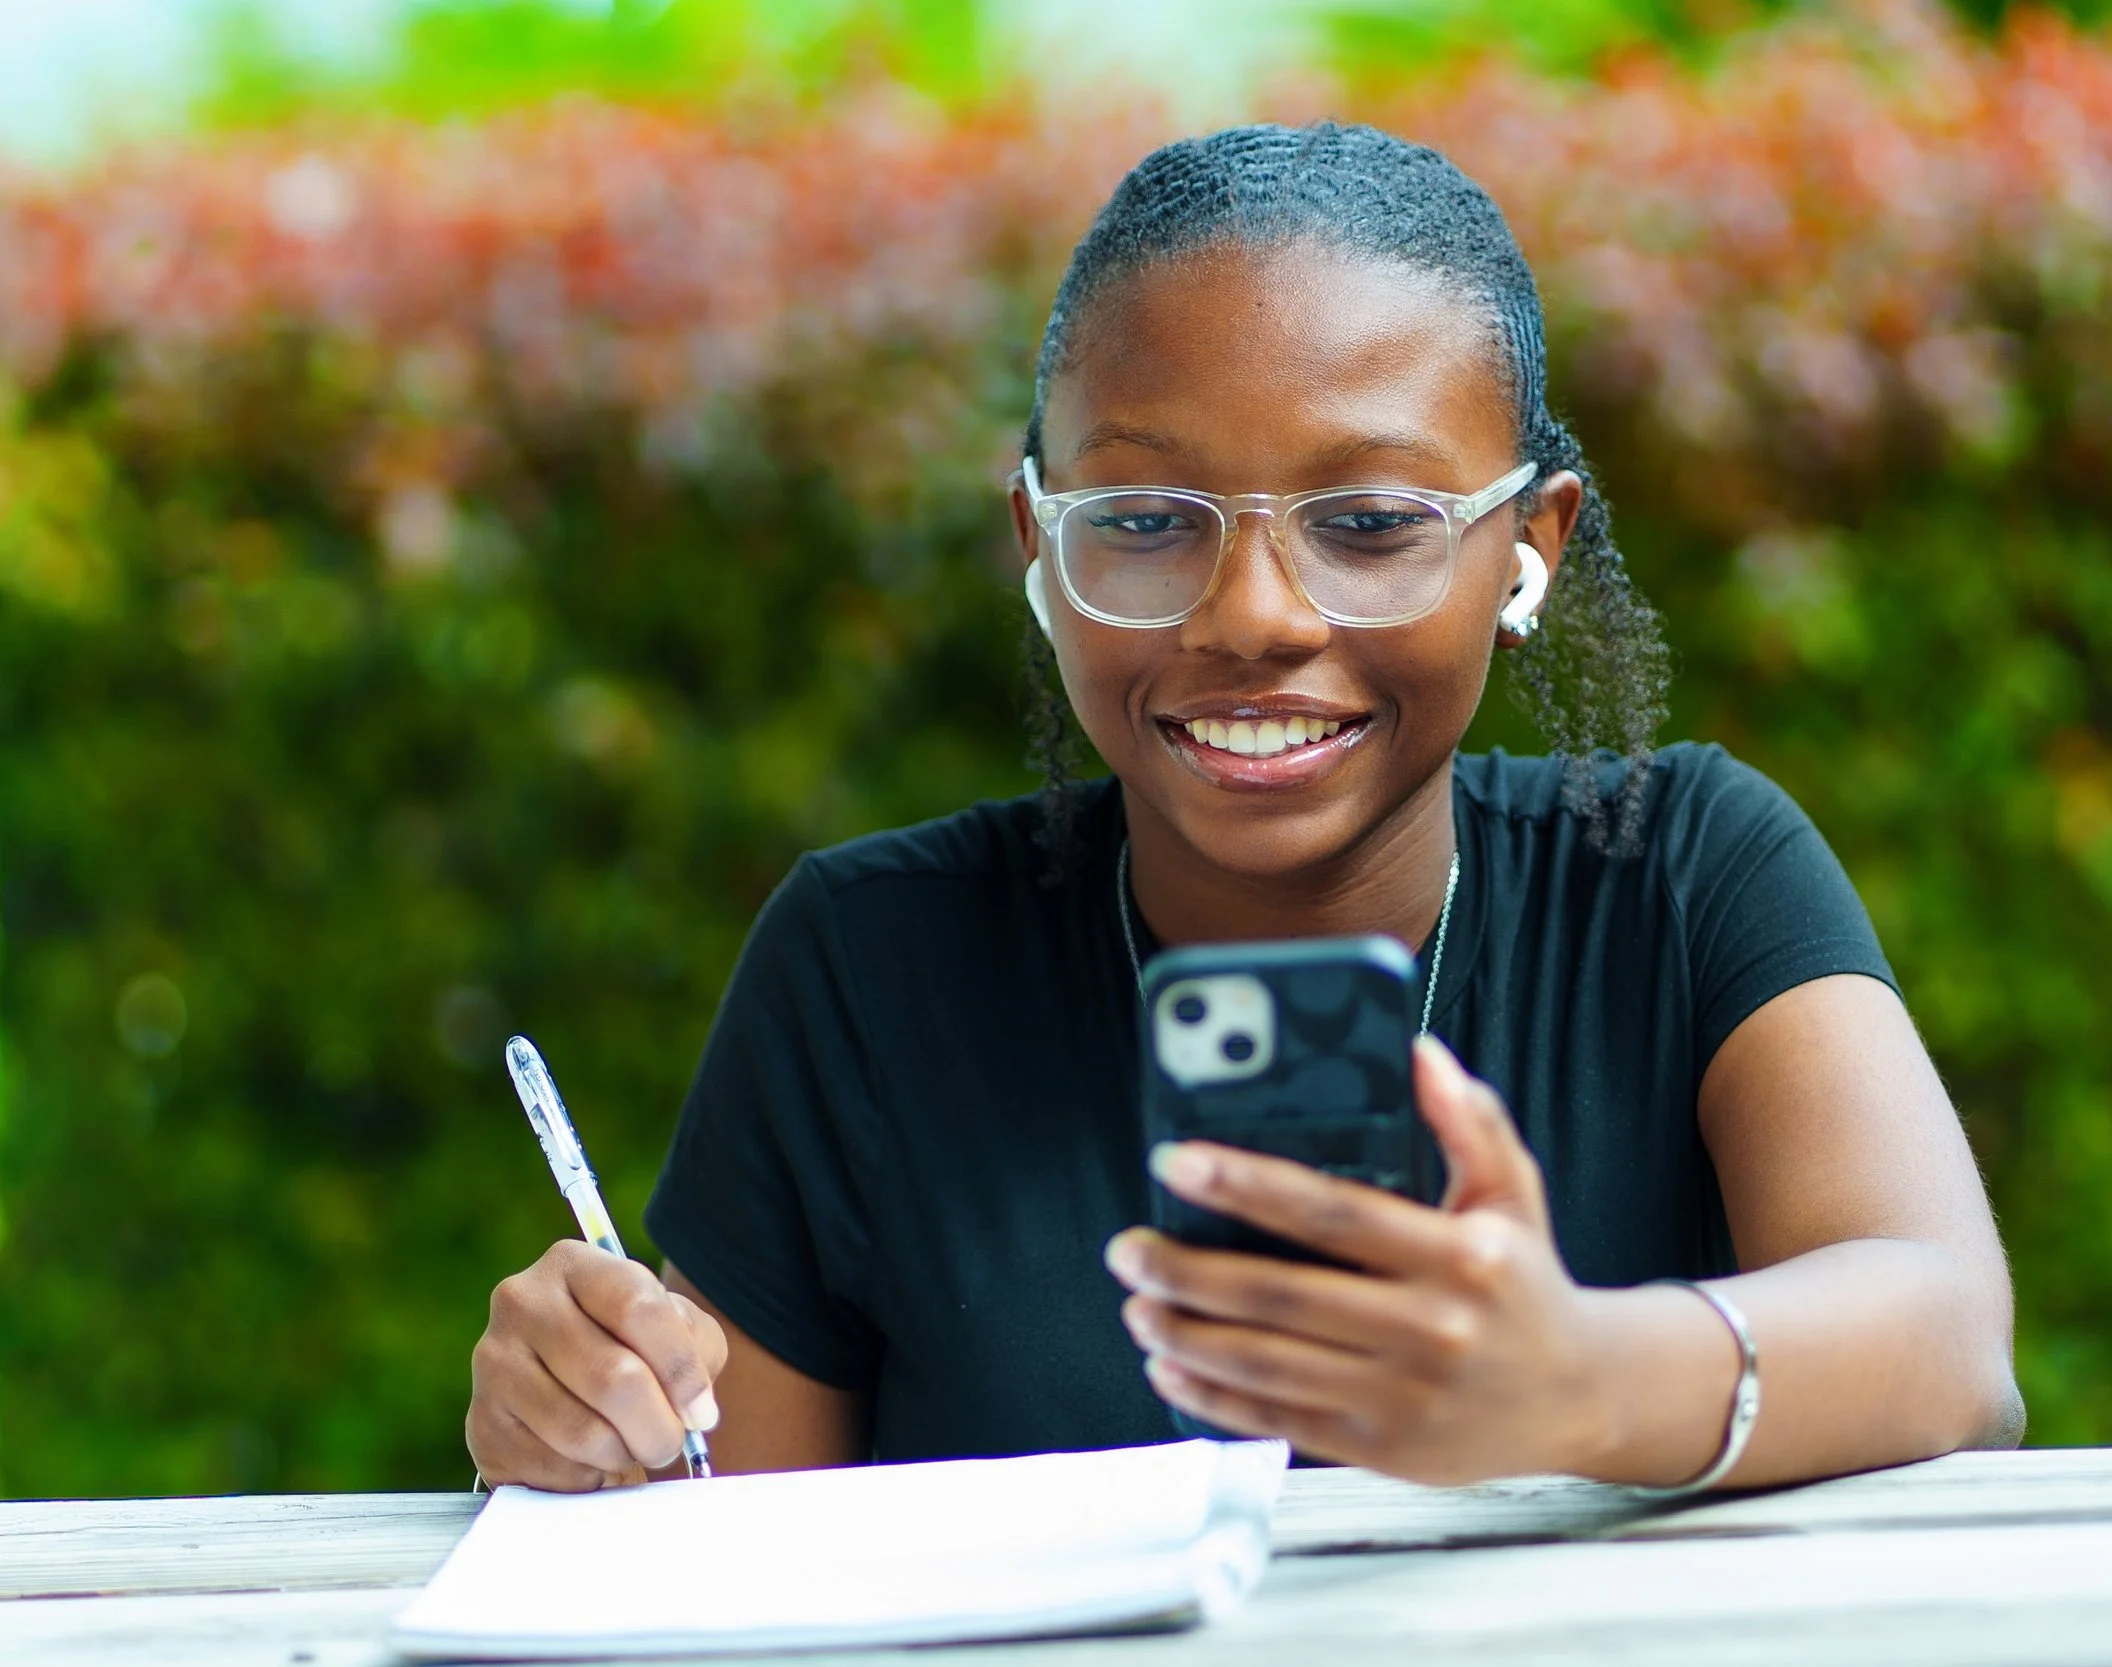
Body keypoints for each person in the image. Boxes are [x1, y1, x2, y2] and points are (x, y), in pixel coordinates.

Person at [465, 122, 2023, 1494]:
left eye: (1368, 522)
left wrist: (1584, 1379)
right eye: (1145, 520)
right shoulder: (871, 973)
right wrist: (589, 1421)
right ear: (1038, 541)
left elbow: (1949, 1341)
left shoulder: (1681, 876)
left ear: (1528, 545)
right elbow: (727, 1555)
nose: (1254, 614)